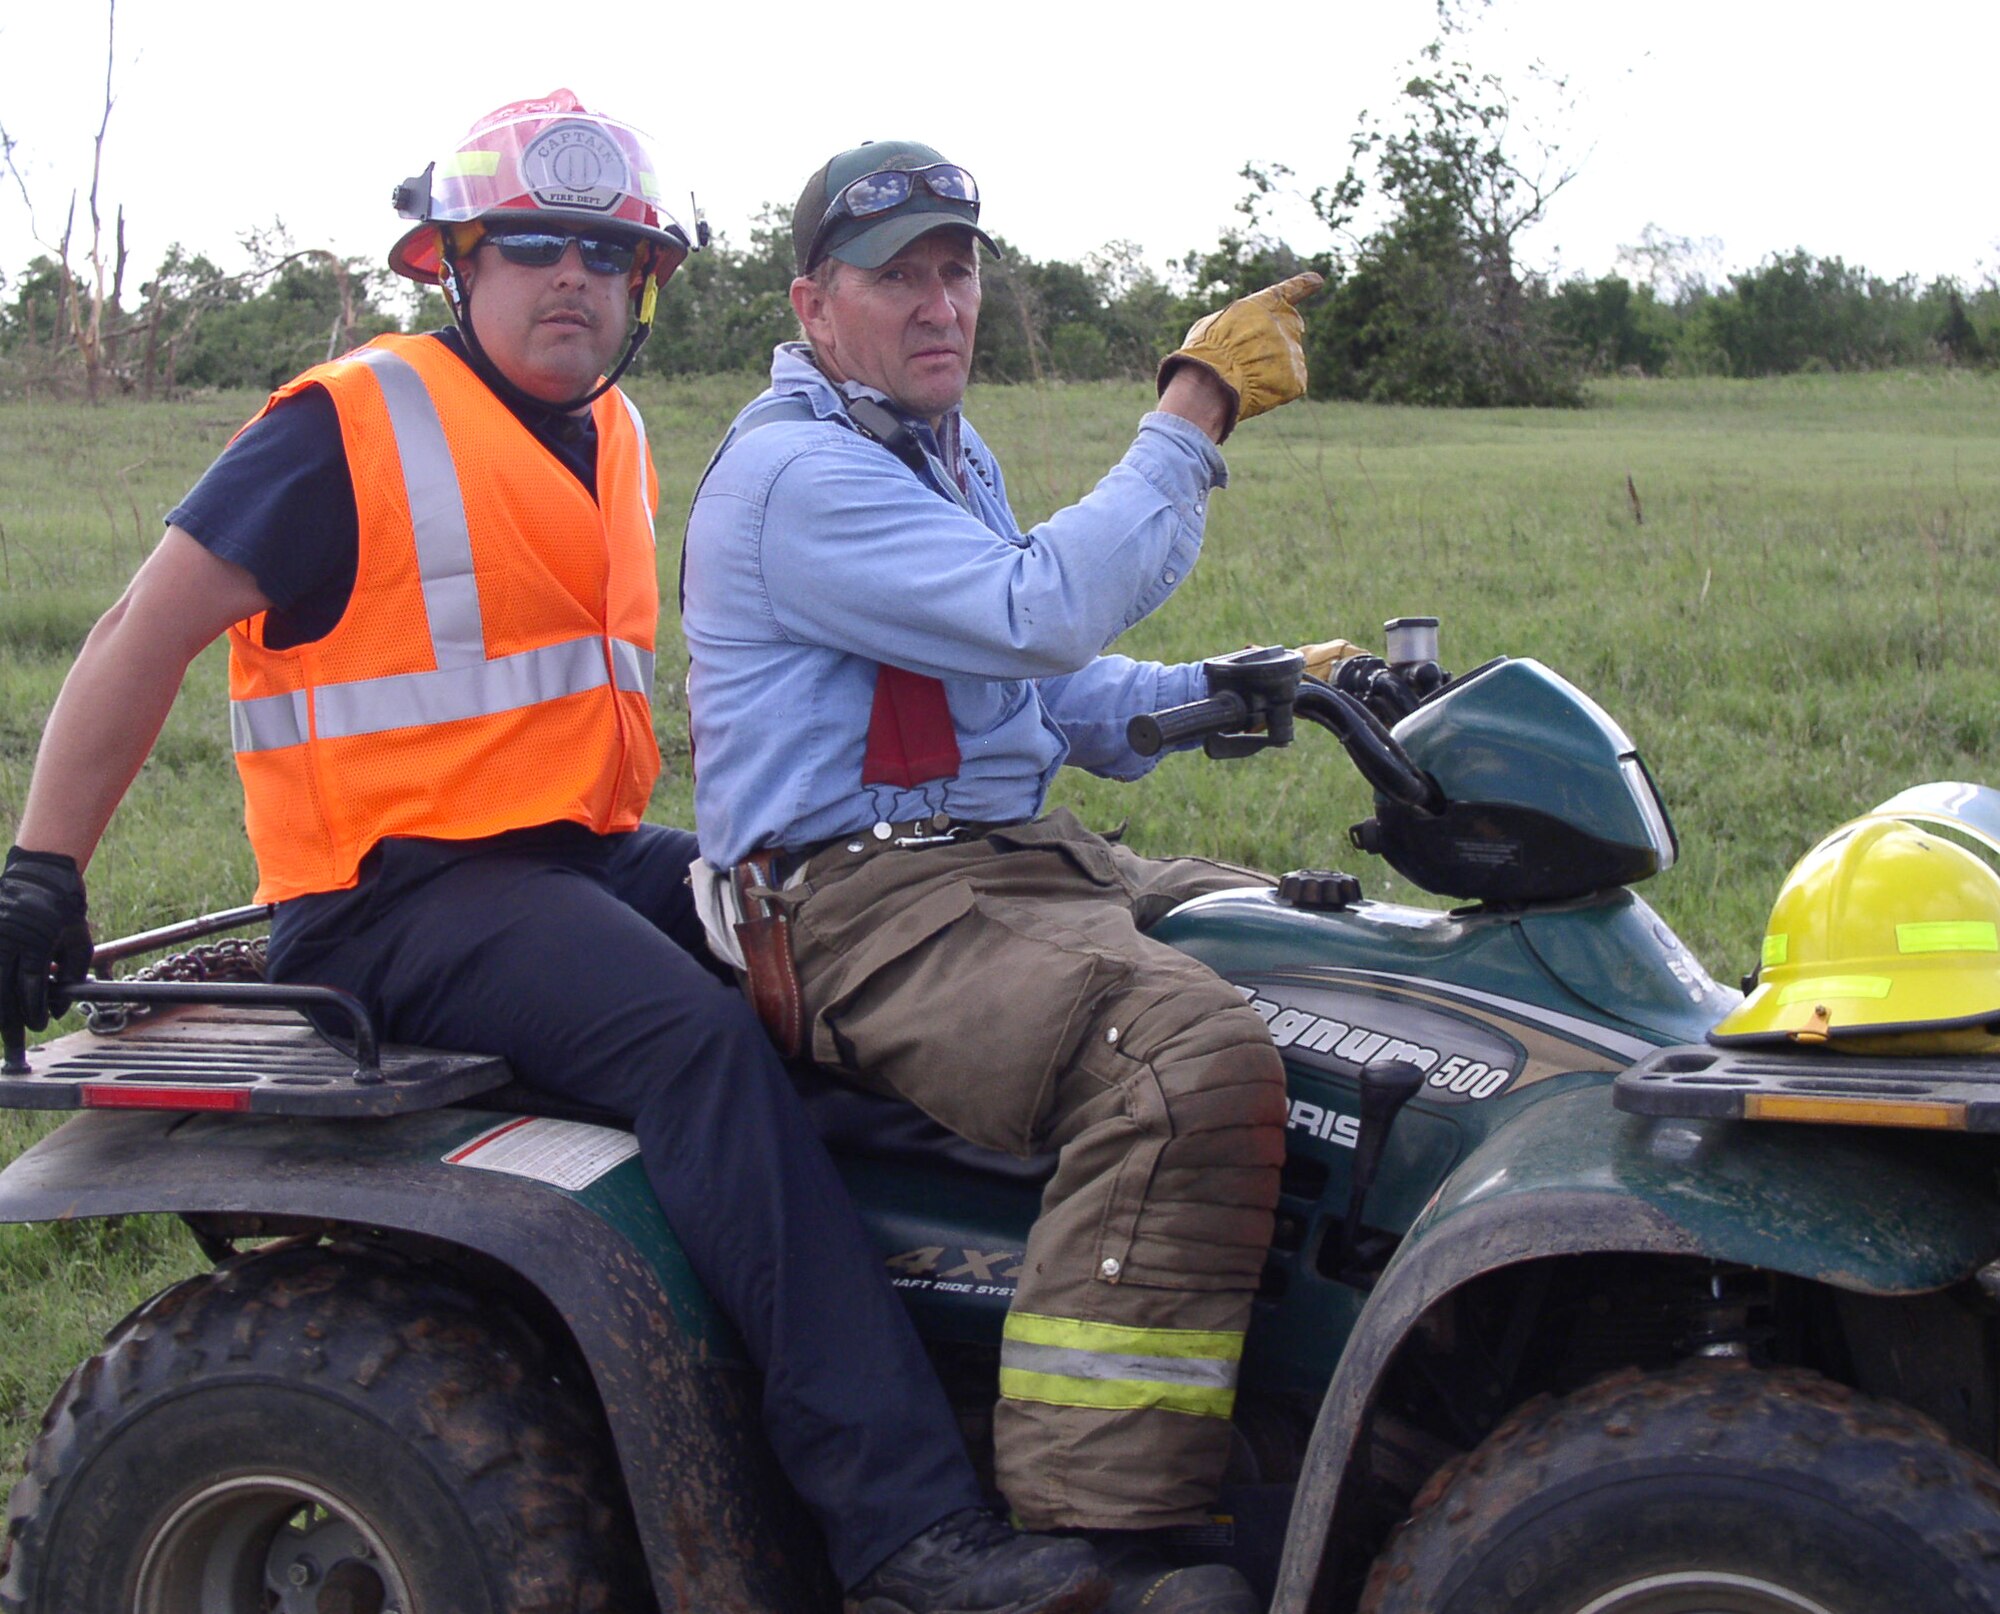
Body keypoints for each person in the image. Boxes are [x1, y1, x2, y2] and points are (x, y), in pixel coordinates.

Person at [0, 96, 1110, 1614]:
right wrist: (42, 871)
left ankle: (959, 1346)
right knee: (702, 1046)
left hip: (571, 858)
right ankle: (901, 1525)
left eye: (606, 251)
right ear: (455, 264)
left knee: (816, 944)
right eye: (532, 247)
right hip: (394, 895)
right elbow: (146, 625)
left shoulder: (615, 431)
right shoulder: (350, 420)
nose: (573, 278)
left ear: (643, 280)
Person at [682, 139, 1323, 1614]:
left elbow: (1028, 688)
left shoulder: (935, 449)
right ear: (811, 302)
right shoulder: (798, 475)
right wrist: (1195, 407)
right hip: (864, 908)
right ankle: (1102, 1531)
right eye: (895, 273)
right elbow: (1035, 611)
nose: (938, 303)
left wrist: (1227, 688)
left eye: (957, 268)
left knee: (1334, 967)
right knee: (1174, 1054)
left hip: (1017, 862)